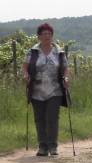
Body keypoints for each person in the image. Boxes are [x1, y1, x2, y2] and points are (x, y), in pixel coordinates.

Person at [22, 23, 69, 156]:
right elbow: (25, 66)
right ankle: (42, 146)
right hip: (37, 90)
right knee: (39, 119)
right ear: (39, 36)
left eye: (49, 33)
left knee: (52, 118)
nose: (47, 36)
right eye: (44, 33)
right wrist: (25, 75)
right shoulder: (32, 51)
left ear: (52, 36)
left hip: (55, 90)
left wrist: (66, 78)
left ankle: (53, 146)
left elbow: (65, 68)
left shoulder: (59, 51)